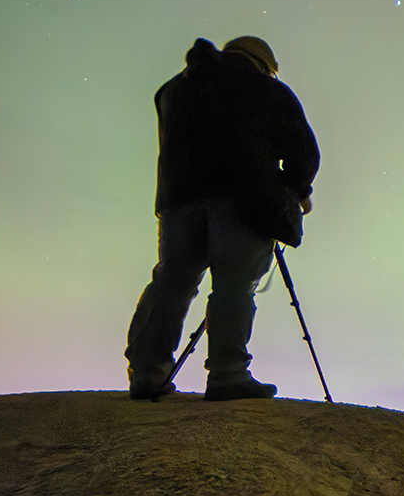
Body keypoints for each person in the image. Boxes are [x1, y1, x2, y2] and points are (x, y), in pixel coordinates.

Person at [124, 35, 320, 401]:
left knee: (172, 283)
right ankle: (228, 374)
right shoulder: (269, 90)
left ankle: (147, 373)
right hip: (243, 201)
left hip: (179, 201)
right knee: (234, 285)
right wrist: (297, 192)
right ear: (265, 65)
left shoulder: (172, 91)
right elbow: (304, 153)